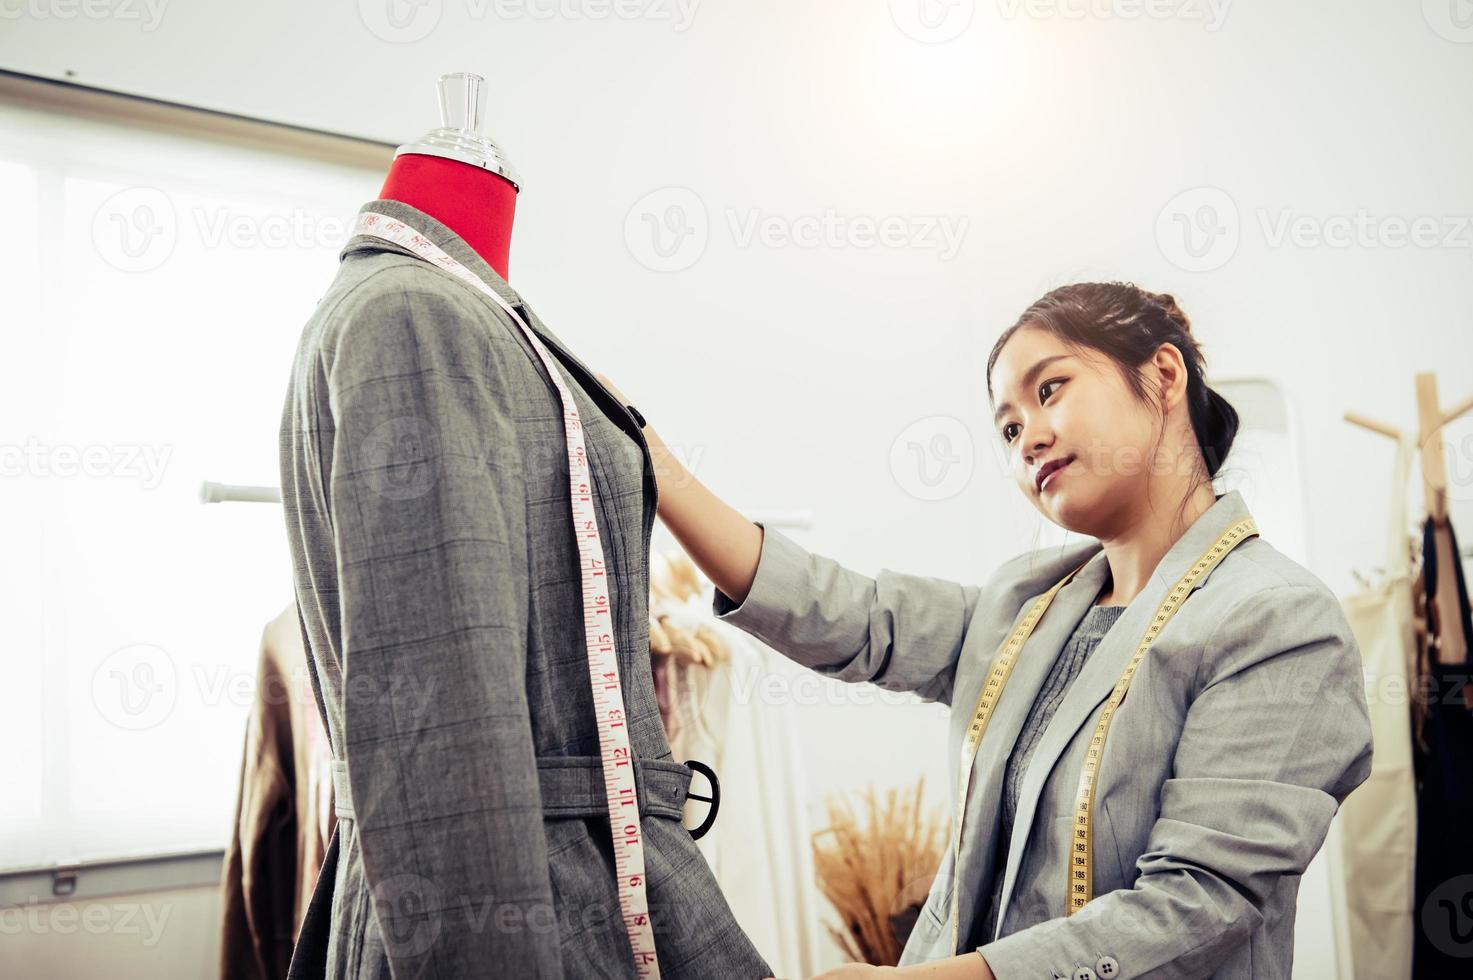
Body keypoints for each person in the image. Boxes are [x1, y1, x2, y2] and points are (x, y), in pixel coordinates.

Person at [600, 281, 1374, 979]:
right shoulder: (1025, 603)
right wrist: (653, 465)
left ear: (1163, 377)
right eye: (1007, 429)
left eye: (1050, 390)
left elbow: (1199, 903)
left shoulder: (1278, 618)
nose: (1028, 438)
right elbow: (850, 616)